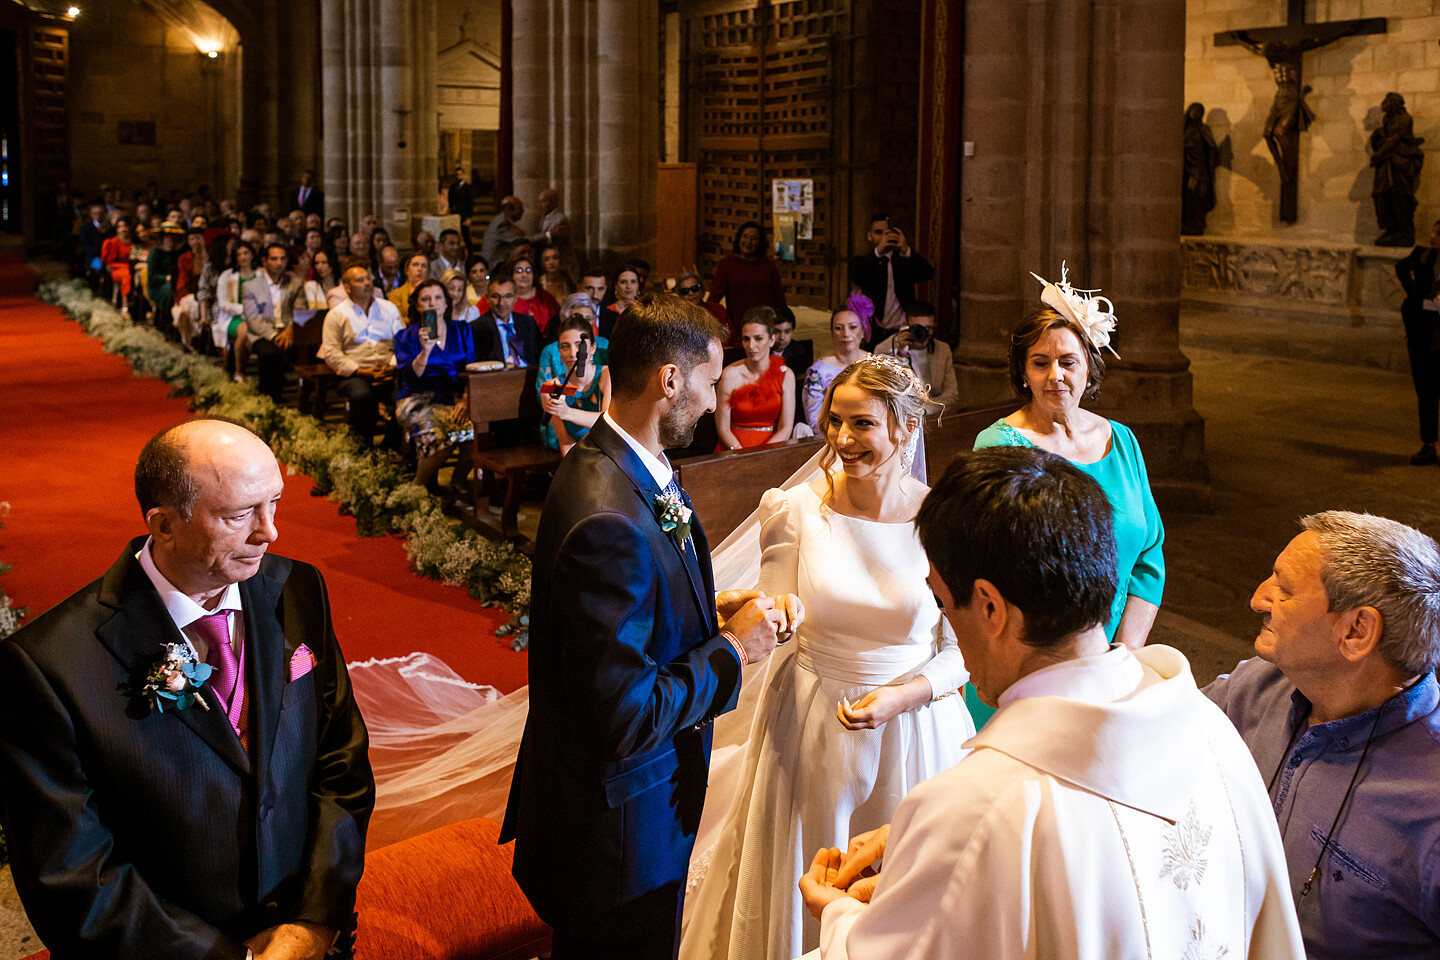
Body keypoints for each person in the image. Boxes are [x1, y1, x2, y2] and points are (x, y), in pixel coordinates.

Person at [798, 446, 1304, 960]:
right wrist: (924, 848)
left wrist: (839, 915)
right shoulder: (1210, 728)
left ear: (991, 607)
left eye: (943, 603)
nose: (947, 622)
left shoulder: (972, 807)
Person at [0, 418, 375, 960]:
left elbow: (342, 762)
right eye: (240, 514)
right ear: (164, 524)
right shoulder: (47, 665)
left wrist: (314, 921)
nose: (270, 532)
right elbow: (71, 874)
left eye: (275, 502)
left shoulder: (297, 588)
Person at [501, 292, 789, 960]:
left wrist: (700, 613)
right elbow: (625, 715)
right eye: (711, 384)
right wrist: (734, 650)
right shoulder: (609, 513)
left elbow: (623, 618)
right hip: (616, 837)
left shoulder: (619, 463)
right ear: (670, 381)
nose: (716, 402)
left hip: (620, 821)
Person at [682, 355, 972, 960]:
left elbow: (961, 651)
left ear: (905, 428)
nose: (843, 440)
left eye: (862, 424)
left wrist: (903, 695)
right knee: (812, 867)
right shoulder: (794, 512)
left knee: (904, 887)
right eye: (835, 422)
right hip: (814, 724)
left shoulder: (944, 519)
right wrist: (768, 614)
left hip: (915, 729)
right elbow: (774, 606)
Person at [1205, 512, 1440, 959]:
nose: (1257, 599)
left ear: (1356, 631)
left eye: (1285, 590)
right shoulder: (1262, 685)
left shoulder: (1430, 808)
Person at [393, 279, 478, 492]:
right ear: (418, 306)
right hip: (415, 398)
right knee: (438, 435)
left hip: (455, 397)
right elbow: (409, 379)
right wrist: (425, 351)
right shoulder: (405, 336)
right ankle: (418, 487)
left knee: (474, 433)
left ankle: (458, 480)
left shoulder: (462, 330)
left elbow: (471, 369)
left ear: (447, 303)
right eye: (425, 299)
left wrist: (466, 400)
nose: (433, 303)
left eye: (438, 297)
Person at [320, 258, 404, 447]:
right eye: (360, 280)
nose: (367, 283)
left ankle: (389, 446)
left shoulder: (388, 308)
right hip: (354, 373)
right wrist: (360, 371)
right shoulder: (337, 314)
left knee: (406, 395)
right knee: (362, 396)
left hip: (387, 370)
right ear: (347, 287)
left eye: (368, 278)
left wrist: (391, 367)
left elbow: (401, 342)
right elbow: (331, 353)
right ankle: (362, 449)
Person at [847, 214, 934, 347]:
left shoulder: (905, 260)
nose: (884, 237)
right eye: (878, 233)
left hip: (902, 329)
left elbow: (927, 273)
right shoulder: (865, 261)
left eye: (888, 233)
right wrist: (878, 253)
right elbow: (857, 276)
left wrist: (906, 249)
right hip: (875, 331)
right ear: (869, 236)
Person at [714, 308, 795, 450]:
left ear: (771, 340)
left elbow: (786, 428)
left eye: (758, 338)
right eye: (746, 339)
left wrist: (761, 455)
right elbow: (723, 428)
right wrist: (741, 454)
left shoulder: (786, 376)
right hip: (733, 449)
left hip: (772, 449)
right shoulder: (729, 375)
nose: (751, 346)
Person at [1395, 218, 1440, 465]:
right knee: (1426, 392)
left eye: (1439, 234)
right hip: (1425, 338)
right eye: (1433, 232)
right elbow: (1401, 267)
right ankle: (1429, 443)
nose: (1433, 237)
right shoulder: (1423, 256)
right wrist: (1413, 294)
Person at [537, 312, 611, 454]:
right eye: (565, 346)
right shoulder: (552, 388)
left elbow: (608, 425)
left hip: (614, 456)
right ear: (559, 350)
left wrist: (568, 412)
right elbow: (566, 443)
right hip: (580, 460)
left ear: (593, 348)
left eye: (579, 346)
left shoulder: (606, 376)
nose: (572, 353)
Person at [872, 300, 958, 419]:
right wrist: (901, 353)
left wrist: (923, 410)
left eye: (929, 328)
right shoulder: (884, 349)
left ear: (935, 325)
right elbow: (891, 394)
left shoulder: (942, 349)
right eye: (917, 328)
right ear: (905, 324)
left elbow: (952, 395)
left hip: (933, 417)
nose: (923, 333)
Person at [241, 243, 306, 402]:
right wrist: (275, 336)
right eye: (274, 259)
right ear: (265, 261)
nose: (279, 263)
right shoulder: (250, 285)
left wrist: (290, 329)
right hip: (261, 334)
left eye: (283, 259)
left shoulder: (295, 282)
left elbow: (300, 311)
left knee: (310, 350)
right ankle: (268, 399)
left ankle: (305, 403)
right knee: (270, 353)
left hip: (289, 331)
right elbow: (253, 320)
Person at [708, 220, 786, 327]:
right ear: (739, 238)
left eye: (753, 239)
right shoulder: (726, 264)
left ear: (760, 243)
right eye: (745, 236)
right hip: (737, 324)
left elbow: (779, 299)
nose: (748, 241)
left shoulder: (769, 266)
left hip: (765, 324)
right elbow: (714, 297)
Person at [802, 309, 869, 431]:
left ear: (863, 331)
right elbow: (814, 421)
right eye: (839, 328)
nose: (846, 333)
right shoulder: (818, 371)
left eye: (853, 327)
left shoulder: (874, 364)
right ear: (832, 333)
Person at [472, 276, 540, 368]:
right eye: (496, 296)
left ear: (515, 298)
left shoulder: (528, 323)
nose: (501, 303)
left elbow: (538, 358)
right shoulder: (477, 328)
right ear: (487, 298)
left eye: (508, 296)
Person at [772, 306, 813, 424]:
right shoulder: (763, 350)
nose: (782, 337)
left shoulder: (800, 352)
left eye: (787, 331)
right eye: (777, 331)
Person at [511, 252, 561, 338]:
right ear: (511, 275)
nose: (524, 275)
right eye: (519, 271)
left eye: (528, 271)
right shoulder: (505, 298)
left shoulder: (545, 297)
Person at [677, 270, 731, 344]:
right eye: (685, 291)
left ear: (702, 290)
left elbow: (732, 338)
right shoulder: (676, 316)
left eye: (694, 288)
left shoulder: (717, 309)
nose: (690, 293)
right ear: (680, 296)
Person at [481, 194, 526, 267]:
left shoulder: (501, 220)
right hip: (495, 268)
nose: (523, 211)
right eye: (520, 208)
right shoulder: (501, 224)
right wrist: (547, 235)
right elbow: (521, 241)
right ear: (508, 209)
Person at [599, 265, 641, 339]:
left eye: (633, 281)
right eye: (624, 282)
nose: (629, 286)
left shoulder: (645, 312)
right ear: (616, 285)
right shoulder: (604, 312)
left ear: (638, 285)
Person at [448, 166, 475, 249]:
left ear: (463, 175)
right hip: (454, 214)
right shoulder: (452, 187)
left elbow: (470, 203)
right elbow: (450, 200)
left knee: (466, 235)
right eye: (457, 175)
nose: (458, 176)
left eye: (460, 174)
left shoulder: (467, 188)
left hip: (463, 215)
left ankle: (471, 253)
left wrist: (469, 217)